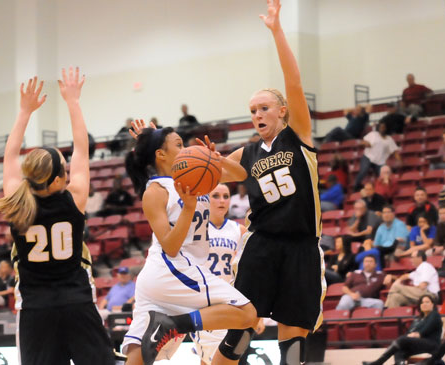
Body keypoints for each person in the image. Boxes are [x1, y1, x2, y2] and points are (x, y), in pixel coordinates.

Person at [221, 1, 327, 363]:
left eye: (264, 107)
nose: (257, 114)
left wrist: (277, 31)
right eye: (252, 110)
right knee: (241, 328)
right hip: (262, 244)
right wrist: (163, 149)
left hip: (301, 245)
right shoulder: (247, 154)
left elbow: (293, 81)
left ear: (282, 110)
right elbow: (209, 172)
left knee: (293, 338)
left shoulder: (298, 135)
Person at [0, 70, 114, 364]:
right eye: (65, 167)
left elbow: (9, 159)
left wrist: (24, 112)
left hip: (36, 310)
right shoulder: (74, 200)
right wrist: (73, 102)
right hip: (77, 303)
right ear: (59, 180)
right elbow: (82, 149)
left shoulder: (17, 203)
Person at [122, 122, 256, 365]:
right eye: (179, 145)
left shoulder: (198, 175)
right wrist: (189, 209)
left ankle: (169, 325)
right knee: (247, 314)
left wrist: (217, 159)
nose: (185, 149)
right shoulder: (156, 191)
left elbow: (241, 175)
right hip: (174, 269)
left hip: (159, 279)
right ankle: (173, 325)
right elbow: (171, 247)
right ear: (160, 154)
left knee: (137, 359)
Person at [192, 183, 255, 365]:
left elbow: (250, 273)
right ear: (205, 199)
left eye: (226, 196)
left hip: (233, 303)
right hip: (205, 303)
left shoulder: (240, 231)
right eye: (216, 196)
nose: (222, 201)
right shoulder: (195, 230)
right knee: (209, 359)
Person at [362, 295, 442, 365]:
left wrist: (417, 334)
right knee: (399, 348)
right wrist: (411, 336)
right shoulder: (418, 319)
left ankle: (379, 362)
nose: (424, 304)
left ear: (432, 304)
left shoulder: (435, 315)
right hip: (418, 344)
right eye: (422, 302)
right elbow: (409, 333)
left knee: (401, 340)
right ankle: (400, 363)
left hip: (431, 344)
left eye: (427, 302)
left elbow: (426, 329)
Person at [354, 122, 402, 192]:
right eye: (381, 127)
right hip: (368, 157)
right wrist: (366, 144)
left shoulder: (389, 139)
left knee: (383, 175)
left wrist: (399, 160)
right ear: (378, 128)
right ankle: (356, 186)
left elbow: (394, 151)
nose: (383, 129)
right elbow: (362, 142)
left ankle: (381, 191)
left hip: (380, 162)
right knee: (364, 170)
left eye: (384, 127)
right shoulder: (373, 134)